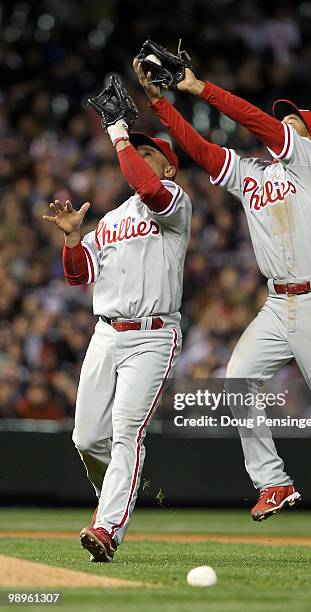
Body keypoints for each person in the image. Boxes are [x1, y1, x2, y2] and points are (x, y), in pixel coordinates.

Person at [135, 59, 311, 561]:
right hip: (277, 303)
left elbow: (255, 121)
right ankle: (273, 482)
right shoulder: (252, 175)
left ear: (310, 137)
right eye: (284, 120)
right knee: (238, 377)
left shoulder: (309, 164)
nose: (282, 124)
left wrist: (198, 87)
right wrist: (161, 102)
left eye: (293, 121)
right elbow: (200, 151)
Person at [43, 88, 192, 562]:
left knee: (127, 431)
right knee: (86, 437)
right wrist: (72, 238)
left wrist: (120, 133)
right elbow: (77, 274)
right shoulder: (109, 221)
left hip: (152, 336)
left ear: (168, 168)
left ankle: (107, 526)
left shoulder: (173, 202)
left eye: (151, 154)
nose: (140, 158)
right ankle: (118, 493)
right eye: (137, 152)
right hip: (106, 334)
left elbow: (147, 188)